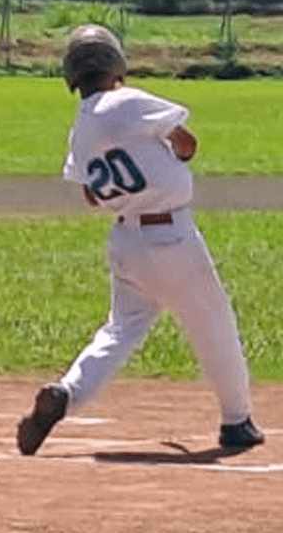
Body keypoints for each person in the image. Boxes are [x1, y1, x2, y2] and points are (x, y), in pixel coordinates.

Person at [15, 25, 264, 456]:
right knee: (214, 325)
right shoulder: (126, 100)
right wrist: (168, 157)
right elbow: (187, 143)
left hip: (126, 241)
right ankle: (236, 421)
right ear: (115, 64)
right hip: (171, 234)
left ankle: (67, 393)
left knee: (120, 330)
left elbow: (91, 195)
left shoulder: (81, 129)